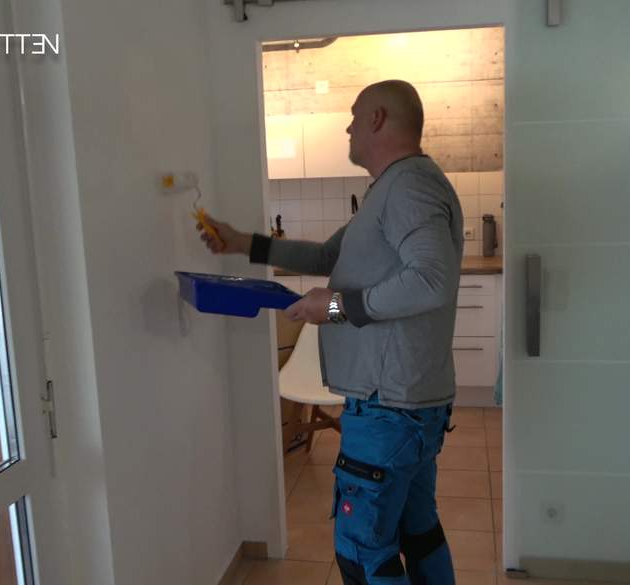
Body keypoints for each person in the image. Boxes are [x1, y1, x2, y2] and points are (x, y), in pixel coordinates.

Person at [198, 79, 464, 585]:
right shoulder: (389, 189)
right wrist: (243, 243)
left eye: (354, 116)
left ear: (377, 119)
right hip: (403, 406)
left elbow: (432, 280)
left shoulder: (408, 187)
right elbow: (326, 256)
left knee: (362, 550)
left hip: (389, 408)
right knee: (418, 532)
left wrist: (337, 306)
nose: (347, 127)